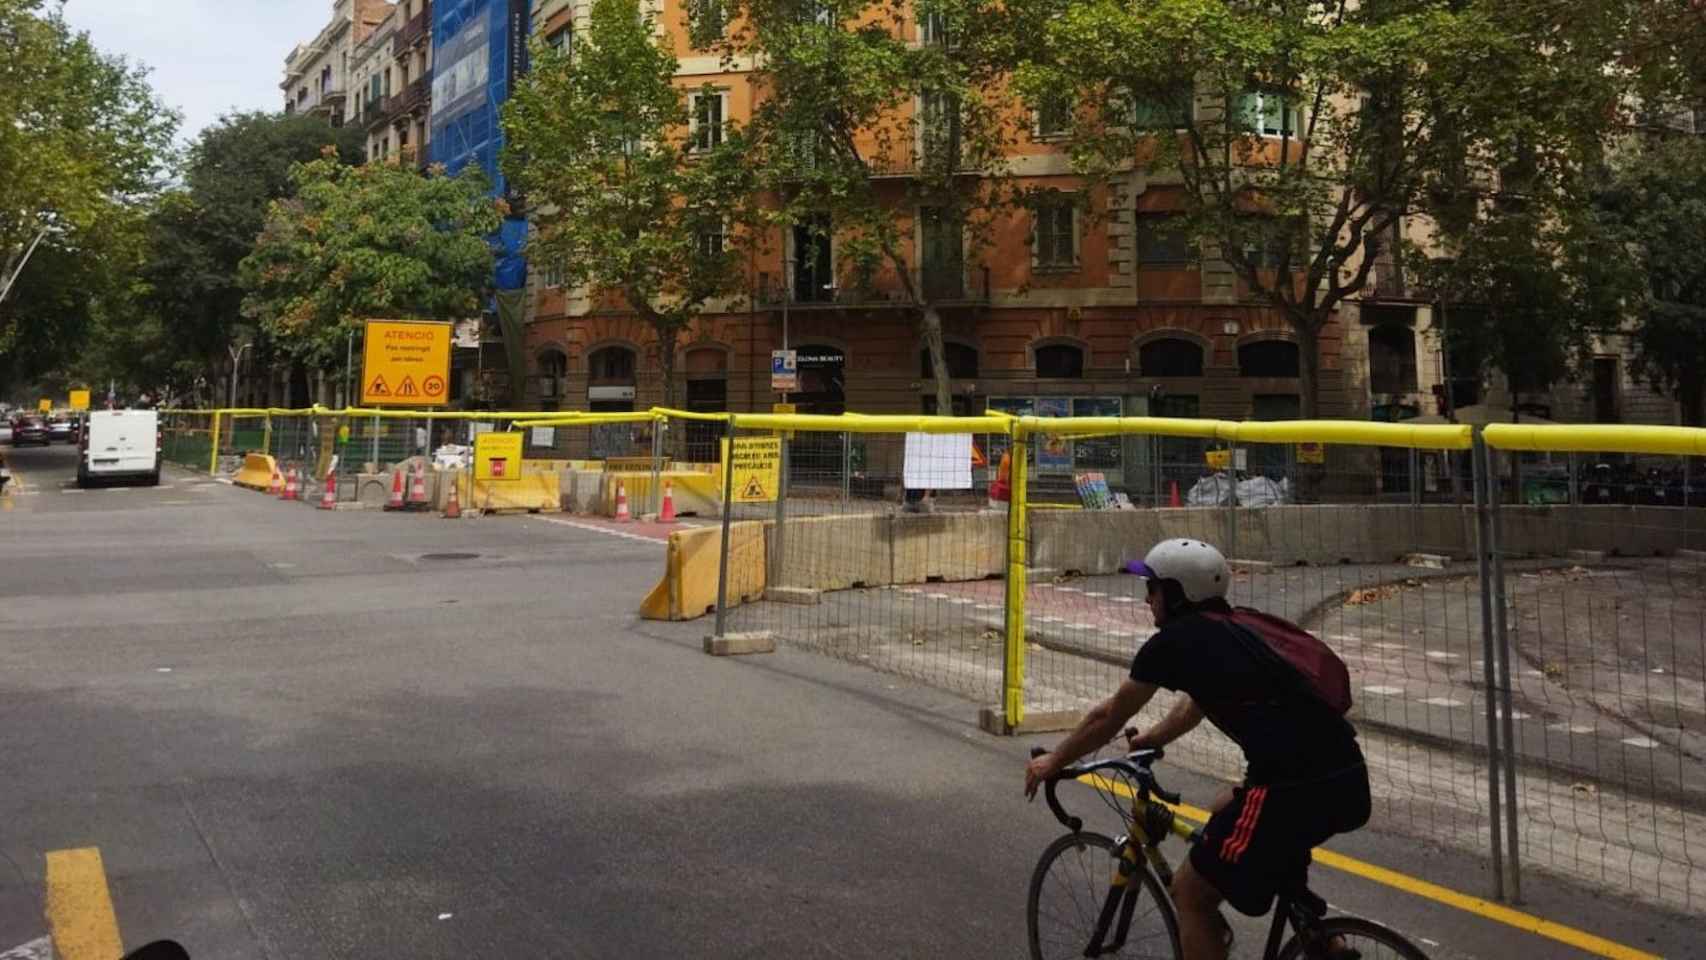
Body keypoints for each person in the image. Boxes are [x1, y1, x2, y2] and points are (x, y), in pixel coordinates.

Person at [1024, 538, 1370, 960]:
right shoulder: (1238, 627)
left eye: (1153, 589)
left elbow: (1109, 716)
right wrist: (1153, 739)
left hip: (1291, 787)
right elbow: (1198, 702)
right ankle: (1322, 940)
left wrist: (1054, 760)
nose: (1147, 598)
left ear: (1177, 592)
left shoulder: (1176, 641)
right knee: (1226, 807)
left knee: (1190, 893)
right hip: (1346, 776)